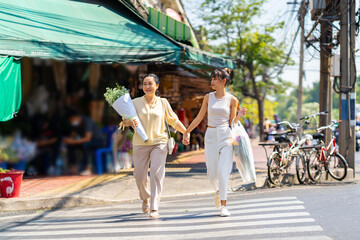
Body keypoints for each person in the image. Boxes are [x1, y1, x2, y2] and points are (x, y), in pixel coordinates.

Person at [121, 73, 188, 218]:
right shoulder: (135, 102)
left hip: (160, 142)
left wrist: (185, 132)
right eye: (144, 84)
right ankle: (145, 197)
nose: (147, 86)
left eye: (150, 83)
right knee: (139, 176)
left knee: (157, 175)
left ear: (157, 86)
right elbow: (124, 120)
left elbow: (173, 120)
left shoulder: (163, 102)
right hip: (140, 143)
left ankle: (154, 207)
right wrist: (130, 122)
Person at [182, 68, 247, 217]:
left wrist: (239, 115)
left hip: (225, 135)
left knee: (224, 172)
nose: (211, 82)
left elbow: (232, 123)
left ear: (223, 81)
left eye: (215, 79)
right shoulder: (208, 97)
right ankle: (218, 191)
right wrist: (187, 131)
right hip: (210, 135)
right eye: (211, 79)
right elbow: (199, 117)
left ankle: (224, 205)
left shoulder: (232, 100)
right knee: (211, 173)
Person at [62, 110, 105, 175]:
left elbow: (88, 138)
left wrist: (72, 141)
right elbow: (72, 136)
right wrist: (68, 140)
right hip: (87, 142)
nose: (72, 121)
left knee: (85, 144)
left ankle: (88, 168)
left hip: (98, 141)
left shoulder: (87, 121)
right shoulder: (76, 124)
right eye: (70, 120)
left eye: (72, 119)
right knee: (70, 145)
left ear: (78, 117)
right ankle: (73, 168)